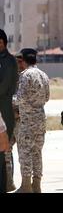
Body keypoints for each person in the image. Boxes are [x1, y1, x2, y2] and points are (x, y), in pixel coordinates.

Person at [15, 48, 50, 193]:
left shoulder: (26, 75)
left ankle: (26, 186)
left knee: (25, 152)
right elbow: (47, 97)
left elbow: (20, 98)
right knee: (37, 152)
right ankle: (36, 185)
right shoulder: (44, 75)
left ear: (23, 60)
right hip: (40, 120)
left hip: (27, 121)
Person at [0, 29, 19, 193]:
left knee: (4, 149)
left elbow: (4, 86)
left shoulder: (9, 61)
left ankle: (6, 184)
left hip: (4, 110)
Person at [4, 53, 26, 192]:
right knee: (6, 152)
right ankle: (9, 182)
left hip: (22, 120)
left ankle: (26, 184)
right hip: (9, 120)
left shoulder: (26, 78)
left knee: (23, 153)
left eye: (20, 61)